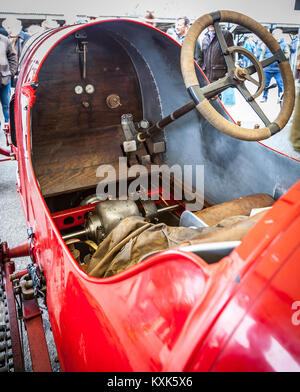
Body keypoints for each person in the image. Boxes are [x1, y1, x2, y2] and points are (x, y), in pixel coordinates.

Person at [260, 28, 290, 103]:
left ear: (281, 35)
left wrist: (281, 58)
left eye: (278, 35)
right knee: (265, 84)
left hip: (278, 69)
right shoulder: (267, 44)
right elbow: (262, 55)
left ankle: (280, 97)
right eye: (275, 35)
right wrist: (261, 64)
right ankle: (264, 97)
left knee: (280, 84)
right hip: (267, 68)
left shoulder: (283, 45)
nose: (277, 37)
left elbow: (287, 54)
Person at [0, 33, 17, 128]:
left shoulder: (4, 40)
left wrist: (11, 72)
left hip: (4, 78)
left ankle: (9, 127)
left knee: (7, 105)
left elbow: (12, 56)